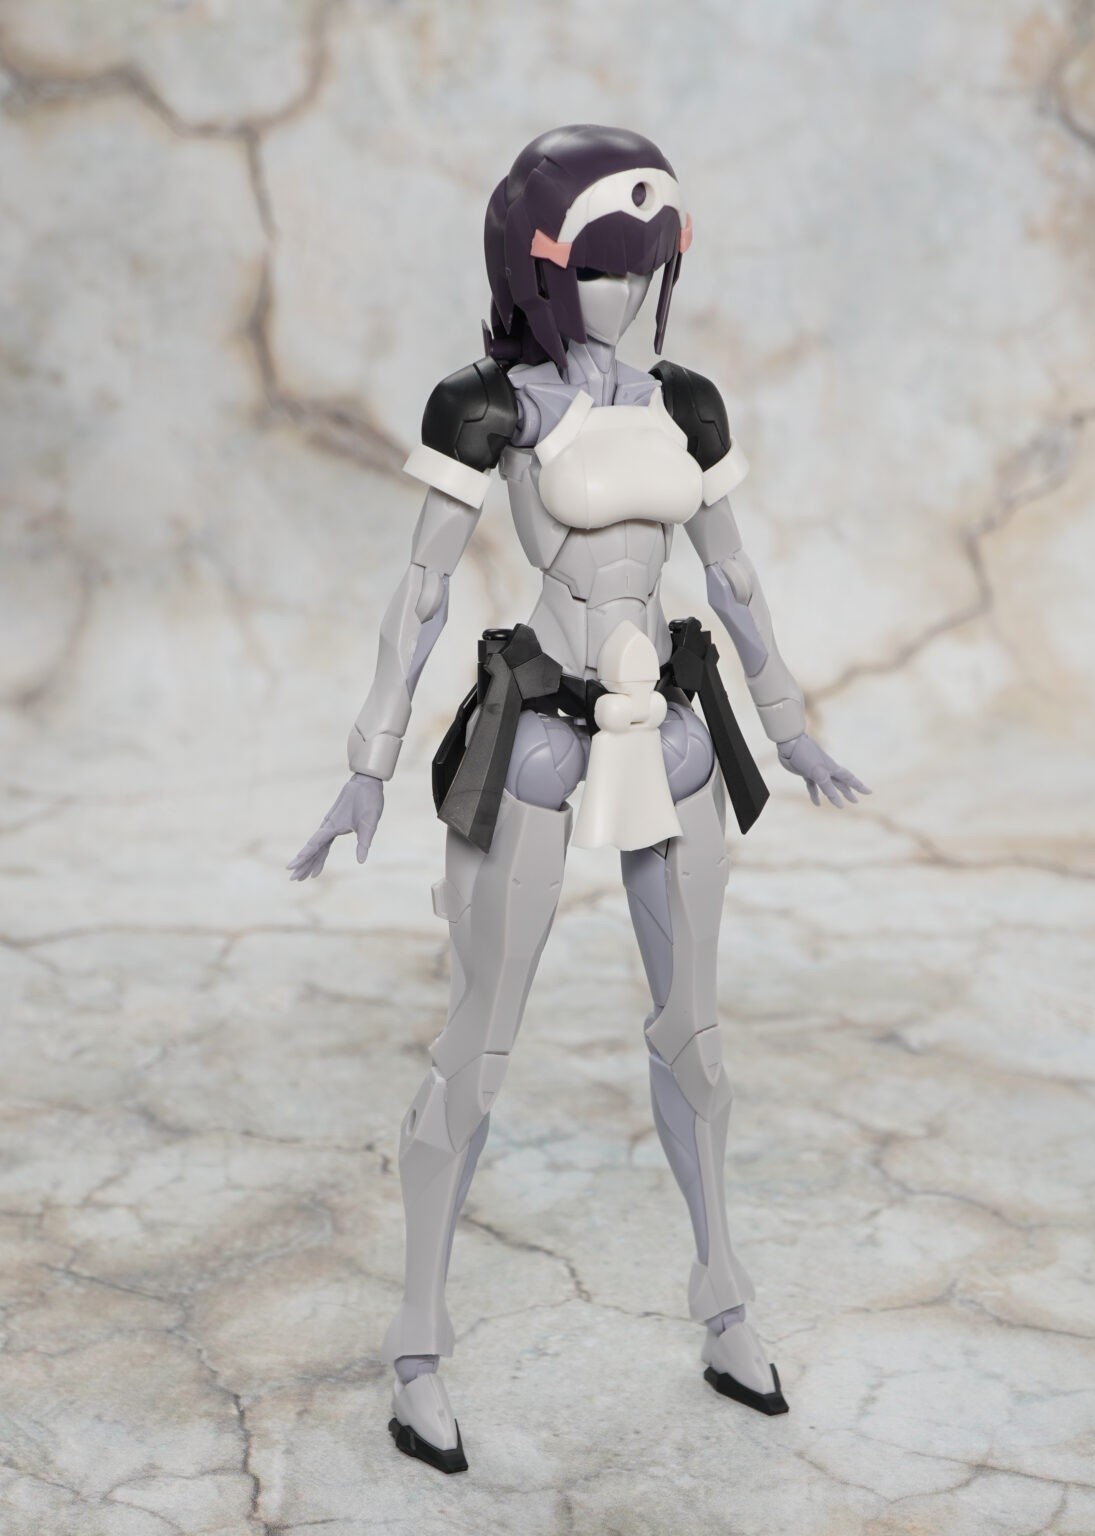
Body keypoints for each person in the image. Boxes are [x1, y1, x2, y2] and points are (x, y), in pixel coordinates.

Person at [290, 124, 869, 1474]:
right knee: (478, 1046)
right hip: (542, 734)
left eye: (649, 266)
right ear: (543, 268)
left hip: (671, 731)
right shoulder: (489, 407)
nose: (631, 291)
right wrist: (369, 759)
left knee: (697, 1040)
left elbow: (732, 576)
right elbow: (420, 592)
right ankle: (416, 1347)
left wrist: (789, 725)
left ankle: (723, 1301)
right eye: (606, 267)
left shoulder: (685, 402)